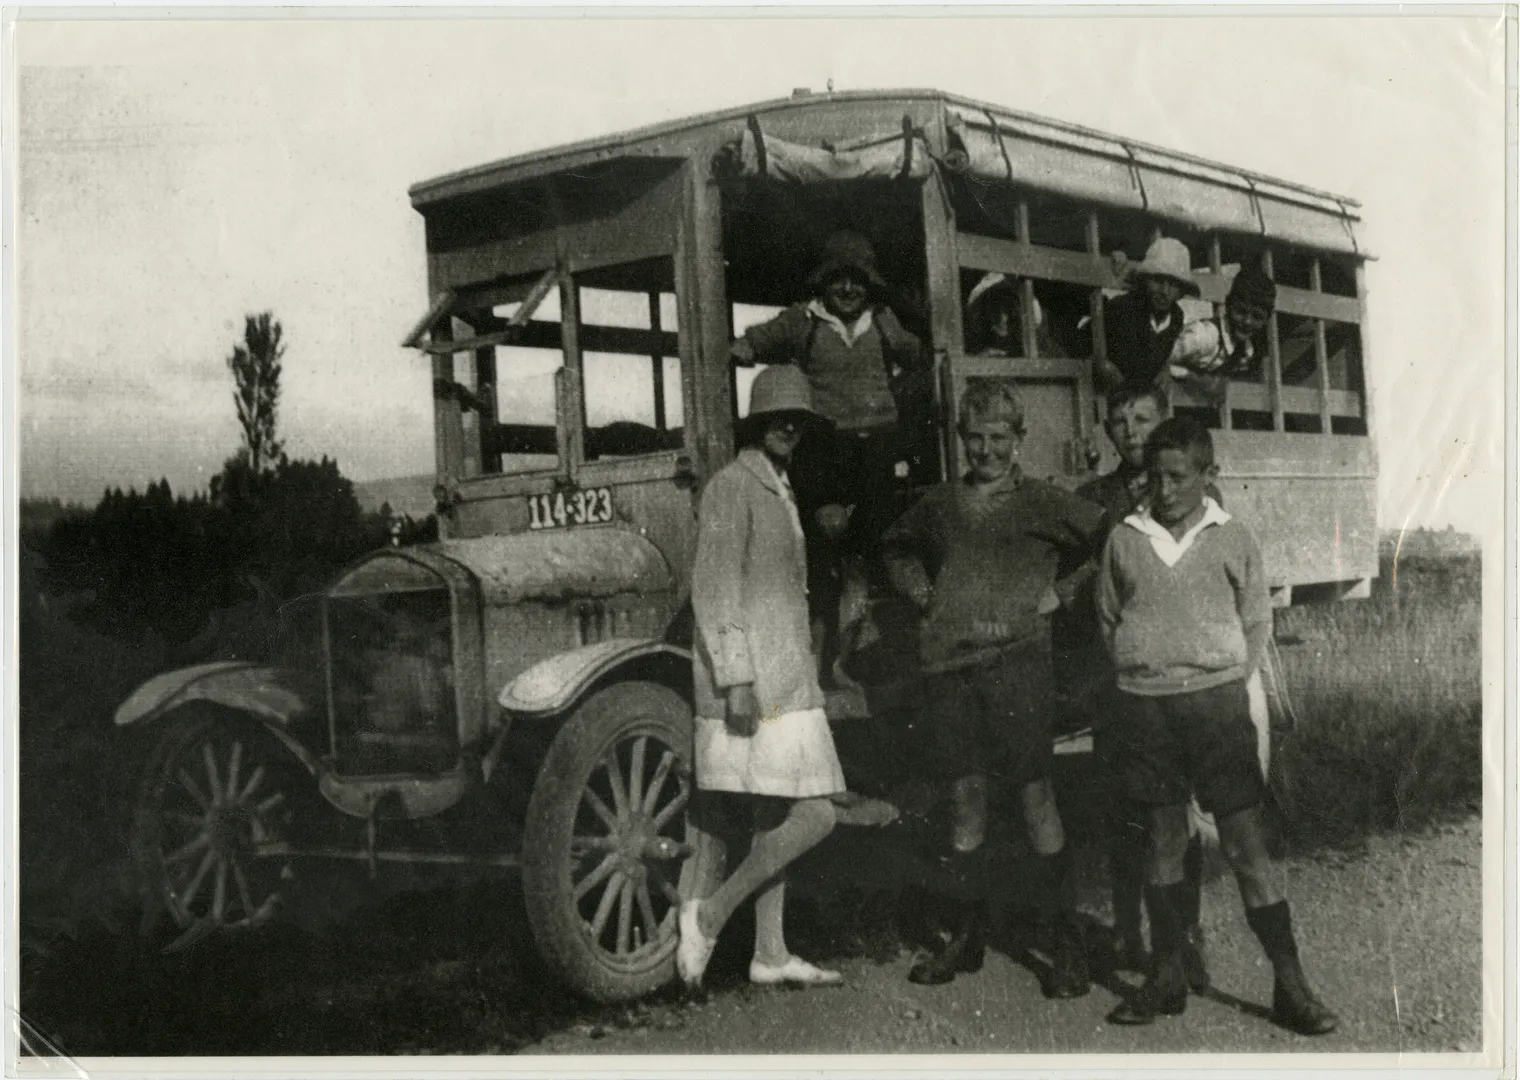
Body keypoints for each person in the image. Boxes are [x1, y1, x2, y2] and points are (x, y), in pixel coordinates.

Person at [1095, 417, 1337, 1034]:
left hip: (1215, 709)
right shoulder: (1125, 537)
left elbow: (1257, 621)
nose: (1165, 489)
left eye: (1179, 476)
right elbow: (1108, 617)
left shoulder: (1233, 537)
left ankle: (1291, 986)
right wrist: (1146, 670)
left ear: (1208, 476)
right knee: (1162, 842)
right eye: (1156, 476)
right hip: (1146, 707)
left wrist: (1227, 680)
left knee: (1245, 845)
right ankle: (1167, 977)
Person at [879, 379, 1107, 993]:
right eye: (975, 438)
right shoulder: (939, 505)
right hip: (950, 671)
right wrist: (923, 593)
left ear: (1019, 440)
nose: (986, 451)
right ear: (961, 439)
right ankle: (966, 936)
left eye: (999, 439)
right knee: (965, 799)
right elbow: (895, 548)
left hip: (1018, 667)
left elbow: (1108, 539)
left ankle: (1065, 945)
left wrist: (1061, 592)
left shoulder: (1043, 502)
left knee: (1035, 798)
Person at [679, 365, 857, 990]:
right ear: (754, 424)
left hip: (786, 679)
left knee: (773, 817)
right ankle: (712, 914)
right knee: (818, 815)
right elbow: (716, 589)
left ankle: (771, 953)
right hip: (756, 683)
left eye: (797, 419)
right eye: (775, 417)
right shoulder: (732, 486)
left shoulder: (776, 485)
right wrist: (736, 679)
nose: (787, 427)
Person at [729, 230, 929, 663]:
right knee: (825, 529)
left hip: (877, 441)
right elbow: (763, 337)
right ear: (823, 282)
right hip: (826, 442)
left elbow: (917, 353)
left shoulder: (882, 319)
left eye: (857, 280)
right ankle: (824, 643)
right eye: (838, 279)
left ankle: (864, 634)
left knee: (876, 534)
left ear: (869, 284)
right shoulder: (805, 320)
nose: (847, 289)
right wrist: (746, 347)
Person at [1098, 237, 1199, 393]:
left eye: (1173, 284)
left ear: (1181, 291)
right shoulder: (1123, 307)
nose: (1165, 291)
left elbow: (1155, 354)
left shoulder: (1176, 317)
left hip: (1133, 393)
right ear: (1144, 281)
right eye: (1158, 280)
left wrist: (1163, 368)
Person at [1165, 262, 1276, 403]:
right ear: (1229, 305)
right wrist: (1193, 377)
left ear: (1266, 320)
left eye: (1257, 317)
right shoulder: (1203, 336)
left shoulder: (1246, 352)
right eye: (1241, 311)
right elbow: (1155, 359)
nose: (1248, 322)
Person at [964, 273, 1068, 359]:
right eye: (994, 307)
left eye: (1008, 306)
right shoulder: (980, 353)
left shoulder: (1041, 347)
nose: (1003, 317)